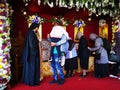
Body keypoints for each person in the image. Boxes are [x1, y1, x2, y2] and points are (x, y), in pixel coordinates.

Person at [47, 19, 69, 85]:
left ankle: (62, 78)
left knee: (58, 66)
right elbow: (51, 42)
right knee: (53, 65)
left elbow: (64, 40)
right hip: (53, 51)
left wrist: (55, 44)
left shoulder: (62, 32)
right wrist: (49, 38)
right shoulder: (54, 31)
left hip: (59, 51)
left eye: (56, 23)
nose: (55, 25)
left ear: (59, 24)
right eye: (54, 23)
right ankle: (55, 78)